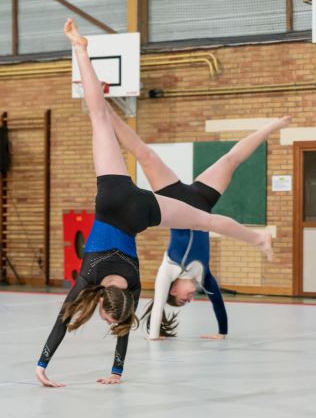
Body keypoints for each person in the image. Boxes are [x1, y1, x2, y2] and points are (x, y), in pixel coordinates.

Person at [35, 19, 273, 388]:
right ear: (101, 302)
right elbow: (62, 321)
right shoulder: (90, 278)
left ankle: (257, 239)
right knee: (99, 119)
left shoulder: (131, 288)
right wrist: (42, 366)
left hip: (142, 211)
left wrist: (118, 371)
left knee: (205, 220)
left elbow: (123, 326)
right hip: (113, 199)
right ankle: (80, 49)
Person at [107, 106, 290, 340]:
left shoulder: (168, 269)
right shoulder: (204, 276)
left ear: (173, 289)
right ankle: (271, 126)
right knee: (231, 159)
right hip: (201, 202)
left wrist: (154, 335)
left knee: (145, 155)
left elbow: (158, 304)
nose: (191, 298)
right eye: (188, 301)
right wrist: (221, 333)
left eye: (184, 298)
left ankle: (108, 114)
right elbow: (218, 303)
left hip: (175, 201)